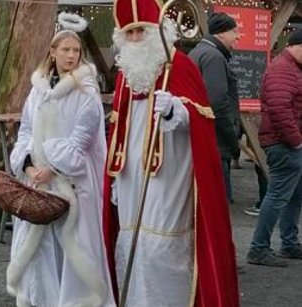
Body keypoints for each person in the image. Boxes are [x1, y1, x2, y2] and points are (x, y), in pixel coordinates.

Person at [102, 0, 239, 306]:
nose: (136, 39)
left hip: (169, 173)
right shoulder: (125, 74)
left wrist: (175, 110)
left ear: (158, 30)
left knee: (158, 250)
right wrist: (113, 177)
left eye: (142, 31)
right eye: (131, 33)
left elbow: (202, 123)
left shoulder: (181, 66)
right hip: (129, 178)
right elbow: (119, 128)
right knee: (130, 246)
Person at [6, 27, 115, 306]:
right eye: (65, 49)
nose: (71, 55)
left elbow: (82, 139)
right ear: (52, 52)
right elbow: (27, 130)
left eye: (76, 50)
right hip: (38, 181)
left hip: (73, 182)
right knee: (38, 245)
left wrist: (53, 168)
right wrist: (29, 166)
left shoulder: (86, 91)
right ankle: (41, 297)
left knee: (74, 247)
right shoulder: (39, 89)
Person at [246, 29, 302, 267]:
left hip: (288, 142)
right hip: (284, 144)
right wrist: (297, 141)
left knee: (294, 197)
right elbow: (280, 109)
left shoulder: (291, 68)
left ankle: (289, 243)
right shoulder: (283, 69)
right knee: (278, 195)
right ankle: (259, 248)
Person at [189, 12, 241, 204]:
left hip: (205, 140)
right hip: (216, 143)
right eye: (234, 31)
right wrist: (232, 137)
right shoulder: (214, 57)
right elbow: (217, 103)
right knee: (217, 204)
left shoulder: (199, 52)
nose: (238, 36)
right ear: (221, 33)